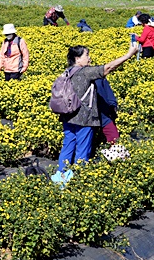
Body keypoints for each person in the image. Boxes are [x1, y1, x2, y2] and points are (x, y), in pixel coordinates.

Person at [53, 42, 139, 183]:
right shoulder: (85, 72)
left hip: (67, 116)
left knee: (67, 147)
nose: (89, 58)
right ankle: (79, 179)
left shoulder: (67, 72)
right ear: (77, 58)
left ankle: (60, 179)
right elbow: (109, 67)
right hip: (84, 119)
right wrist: (129, 55)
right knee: (82, 150)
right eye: (86, 55)